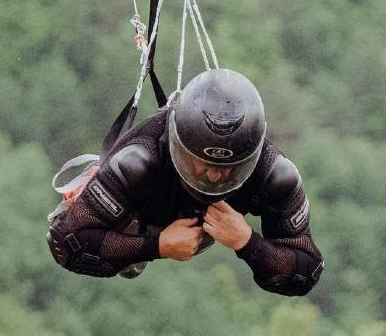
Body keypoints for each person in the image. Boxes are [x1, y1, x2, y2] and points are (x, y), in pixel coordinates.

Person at [46, 68, 324, 296]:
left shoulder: (274, 174)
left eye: (227, 168)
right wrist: (157, 246)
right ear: (179, 146)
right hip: (139, 213)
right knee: (90, 236)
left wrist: (248, 242)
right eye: (202, 164)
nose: (213, 176)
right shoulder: (139, 161)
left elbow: (307, 271)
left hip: (211, 227)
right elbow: (64, 244)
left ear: (248, 157)